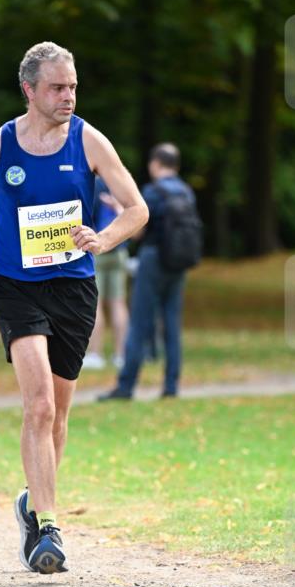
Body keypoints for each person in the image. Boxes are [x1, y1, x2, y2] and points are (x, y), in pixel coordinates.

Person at [0, 42, 148, 575]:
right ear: (29, 90)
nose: (69, 96)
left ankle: (32, 503)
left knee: (58, 415)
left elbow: (137, 208)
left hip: (74, 289)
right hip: (16, 286)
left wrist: (103, 239)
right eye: (58, 87)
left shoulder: (89, 141)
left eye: (73, 86)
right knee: (37, 406)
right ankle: (49, 526)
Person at [99, 142, 196, 401]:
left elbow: (138, 232)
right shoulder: (187, 192)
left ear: (155, 164)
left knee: (140, 322)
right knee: (172, 323)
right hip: (178, 262)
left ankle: (126, 386)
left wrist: (120, 211)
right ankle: (171, 386)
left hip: (153, 259)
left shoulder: (153, 192)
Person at [82, 177, 129, 370]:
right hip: (119, 249)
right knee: (118, 302)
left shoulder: (91, 182)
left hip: (98, 249)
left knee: (96, 303)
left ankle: (95, 354)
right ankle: (121, 355)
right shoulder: (118, 181)